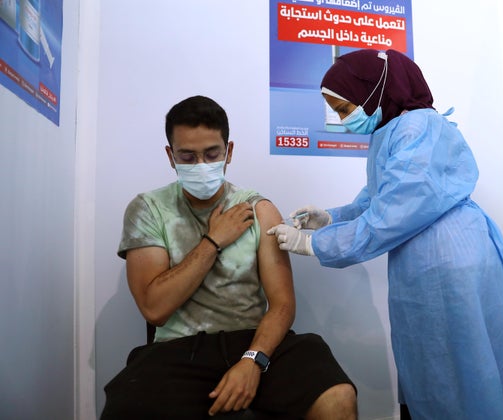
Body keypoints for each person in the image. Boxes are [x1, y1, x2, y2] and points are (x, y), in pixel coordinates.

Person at [267, 49, 503, 419]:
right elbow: (377, 200)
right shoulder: (394, 131)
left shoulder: (419, 127)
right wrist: (329, 218)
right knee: (438, 371)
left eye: (342, 107)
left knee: (459, 374)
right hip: (432, 259)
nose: (341, 118)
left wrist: (314, 243)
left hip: (449, 260)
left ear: (373, 90)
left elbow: (392, 215)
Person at [101, 95, 357, 419]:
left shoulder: (258, 209)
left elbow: (282, 304)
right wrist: (213, 241)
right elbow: (155, 308)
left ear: (229, 151)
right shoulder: (148, 209)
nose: (201, 165)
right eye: (187, 156)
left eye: (211, 154)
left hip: (253, 341)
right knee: (127, 407)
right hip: (180, 350)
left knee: (337, 396)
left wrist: (253, 360)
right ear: (170, 156)